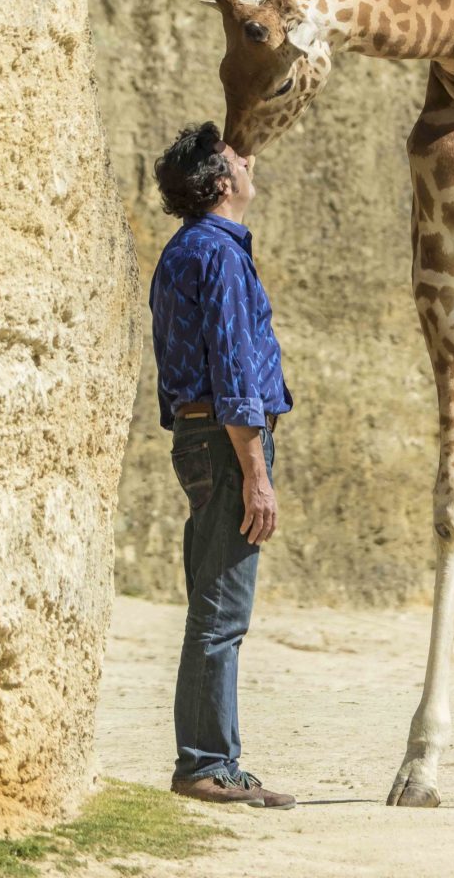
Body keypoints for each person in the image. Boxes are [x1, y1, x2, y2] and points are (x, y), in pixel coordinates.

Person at [150, 120, 295, 809]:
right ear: (219, 184)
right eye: (237, 158)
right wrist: (255, 473)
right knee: (220, 614)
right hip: (226, 442)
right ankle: (205, 765)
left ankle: (222, 763)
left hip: (200, 438)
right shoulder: (221, 254)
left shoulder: (182, 251)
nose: (248, 160)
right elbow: (235, 369)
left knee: (215, 610)